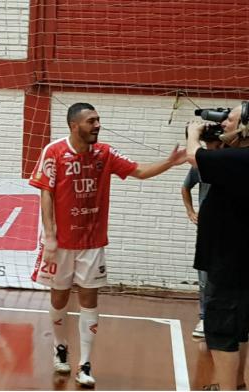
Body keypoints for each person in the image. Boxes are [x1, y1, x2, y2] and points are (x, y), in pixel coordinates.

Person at [29, 102, 186, 388]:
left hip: (92, 242)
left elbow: (138, 171)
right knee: (59, 298)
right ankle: (60, 348)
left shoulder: (105, 152)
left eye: (98, 119)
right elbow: (46, 194)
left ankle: (85, 364)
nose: (98, 125)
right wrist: (50, 235)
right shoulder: (54, 152)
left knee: (90, 299)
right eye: (91, 121)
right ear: (74, 125)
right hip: (61, 243)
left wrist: (169, 162)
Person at [186, 102, 249, 391]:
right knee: (240, 327)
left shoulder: (240, 158)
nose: (223, 123)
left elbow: (193, 156)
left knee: (221, 331)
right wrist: (215, 145)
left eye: (230, 120)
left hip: (229, 261)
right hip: (239, 260)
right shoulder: (236, 159)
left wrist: (193, 133)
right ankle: (235, 384)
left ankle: (228, 389)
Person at [181, 138, 221, 339]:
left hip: (232, 225)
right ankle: (204, 317)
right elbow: (185, 187)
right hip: (207, 226)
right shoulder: (200, 164)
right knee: (204, 275)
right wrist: (191, 211)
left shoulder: (232, 160)